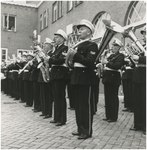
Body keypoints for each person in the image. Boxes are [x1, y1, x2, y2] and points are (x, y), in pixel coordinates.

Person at [70, 19, 98, 139]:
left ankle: (87, 131)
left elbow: (90, 62)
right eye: (79, 29)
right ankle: (80, 128)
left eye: (82, 29)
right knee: (78, 104)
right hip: (77, 75)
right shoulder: (78, 44)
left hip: (86, 77)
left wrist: (75, 55)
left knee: (85, 105)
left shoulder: (92, 45)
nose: (79, 31)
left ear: (89, 32)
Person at [49, 29, 69, 126]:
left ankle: (62, 119)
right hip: (55, 74)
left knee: (60, 97)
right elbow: (53, 60)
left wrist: (49, 59)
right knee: (56, 97)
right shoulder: (56, 49)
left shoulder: (65, 48)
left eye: (57, 37)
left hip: (60, 74)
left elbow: (60, 60)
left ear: (62, 39)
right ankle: (56, 117)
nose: (55, 39)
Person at [102, 38, 125, 123]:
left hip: (114, 78)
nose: (114, 47)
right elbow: (105, 62)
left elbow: (117, 65)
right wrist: (104, 57)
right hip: (108, 78)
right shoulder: (111, 55)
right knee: (107, 98)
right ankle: (108, 115)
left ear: (119, 48)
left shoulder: (120, 56)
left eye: (116, 46)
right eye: (113, 46)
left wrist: (106, 62)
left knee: (113, 98)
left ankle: (113, 116)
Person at [130, 25, 146, 134]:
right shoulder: (143, 47)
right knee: (138, 102)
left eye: (145, 33)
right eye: (144, 34)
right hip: (139, 76)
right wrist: (132, 57)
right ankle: (138, 124)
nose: (144, 36)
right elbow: (136, 63)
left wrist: (139, 58)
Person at [37, 38, 54, 119]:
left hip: (48, 75)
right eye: (44, 44)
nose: (44, 46)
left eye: (46, 44)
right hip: (42, 74)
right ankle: (44, 111)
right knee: (43, 95)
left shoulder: (51, 53)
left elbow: (49, 62)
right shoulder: (45, 53)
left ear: (50, 45)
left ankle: (48, 112)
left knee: (47, 95)